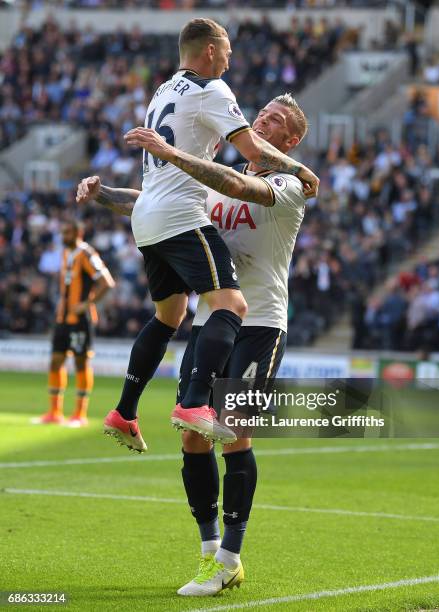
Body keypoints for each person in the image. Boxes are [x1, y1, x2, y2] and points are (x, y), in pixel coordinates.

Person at [77, 92, 309, 595]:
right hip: (212, 323)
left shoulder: (290, 183)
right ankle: (209, 553)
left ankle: (230, 556)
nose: (260, 120)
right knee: (191, 435)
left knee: (232, 430)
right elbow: (160, 204)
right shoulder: (215, 173)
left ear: (289, 141)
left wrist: (171, 152)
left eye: (273, 120)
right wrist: (103, 194)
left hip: (261, 324)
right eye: (260, 113)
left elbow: (233, 184)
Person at [95, 18, 319, 452]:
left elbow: (223, 179)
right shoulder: (213, 90)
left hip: (150, 218)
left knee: (168, 316)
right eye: (229, 53)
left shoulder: (163, 90)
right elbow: (247, 158)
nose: (231, 62)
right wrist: (301, 167)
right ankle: (195, 404)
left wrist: (102, 192)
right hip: (178, 216)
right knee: (231, 302)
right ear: (212, 51)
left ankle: (124, 411)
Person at [32, 220, 115, 427]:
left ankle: (80, 414)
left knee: (80, 362)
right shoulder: (65, 254)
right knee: (55, 361)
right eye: (62, 232)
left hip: (80, 319)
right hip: (62, 318)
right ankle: (54, 411)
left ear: (79, 232)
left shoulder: (86, 254)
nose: (63, 236)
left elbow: (107, 282)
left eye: (67, 232)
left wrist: (87, 304)